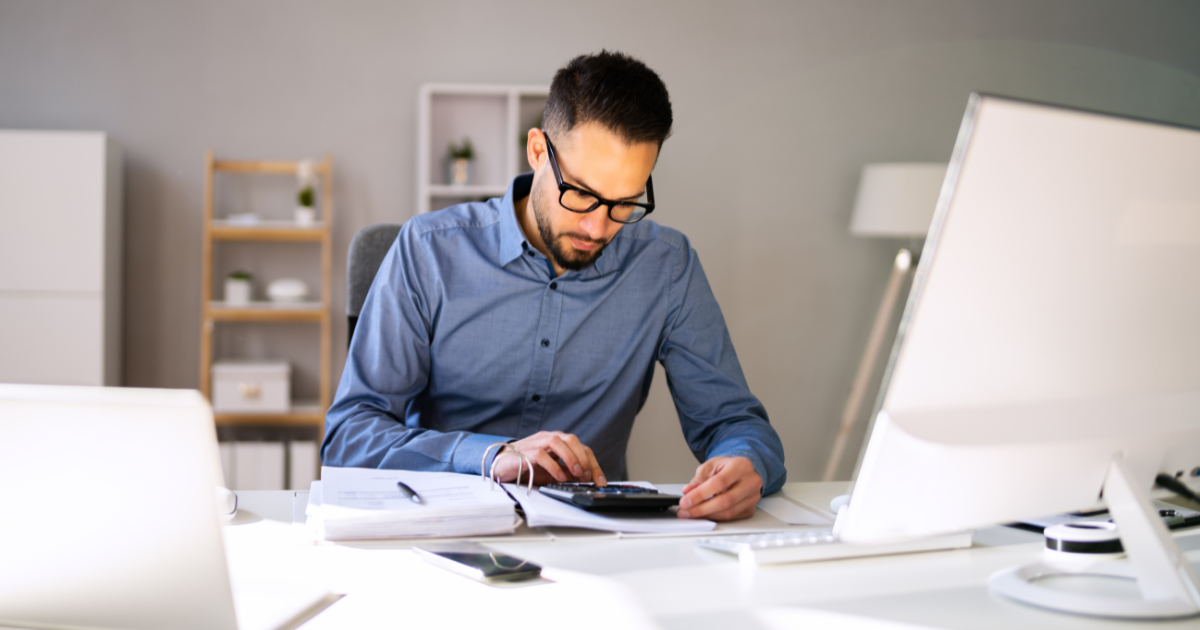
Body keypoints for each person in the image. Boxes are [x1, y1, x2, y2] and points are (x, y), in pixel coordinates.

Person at [323, 50, 785, 521]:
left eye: (624, 203)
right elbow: (349, 437)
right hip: (441, 529)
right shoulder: (429, 250)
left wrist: (747, 462)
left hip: (595, 537)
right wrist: (490, 456)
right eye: (581, 194)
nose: (598, 227)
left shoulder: (666, 265)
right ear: (538, 151)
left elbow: (733, 421)